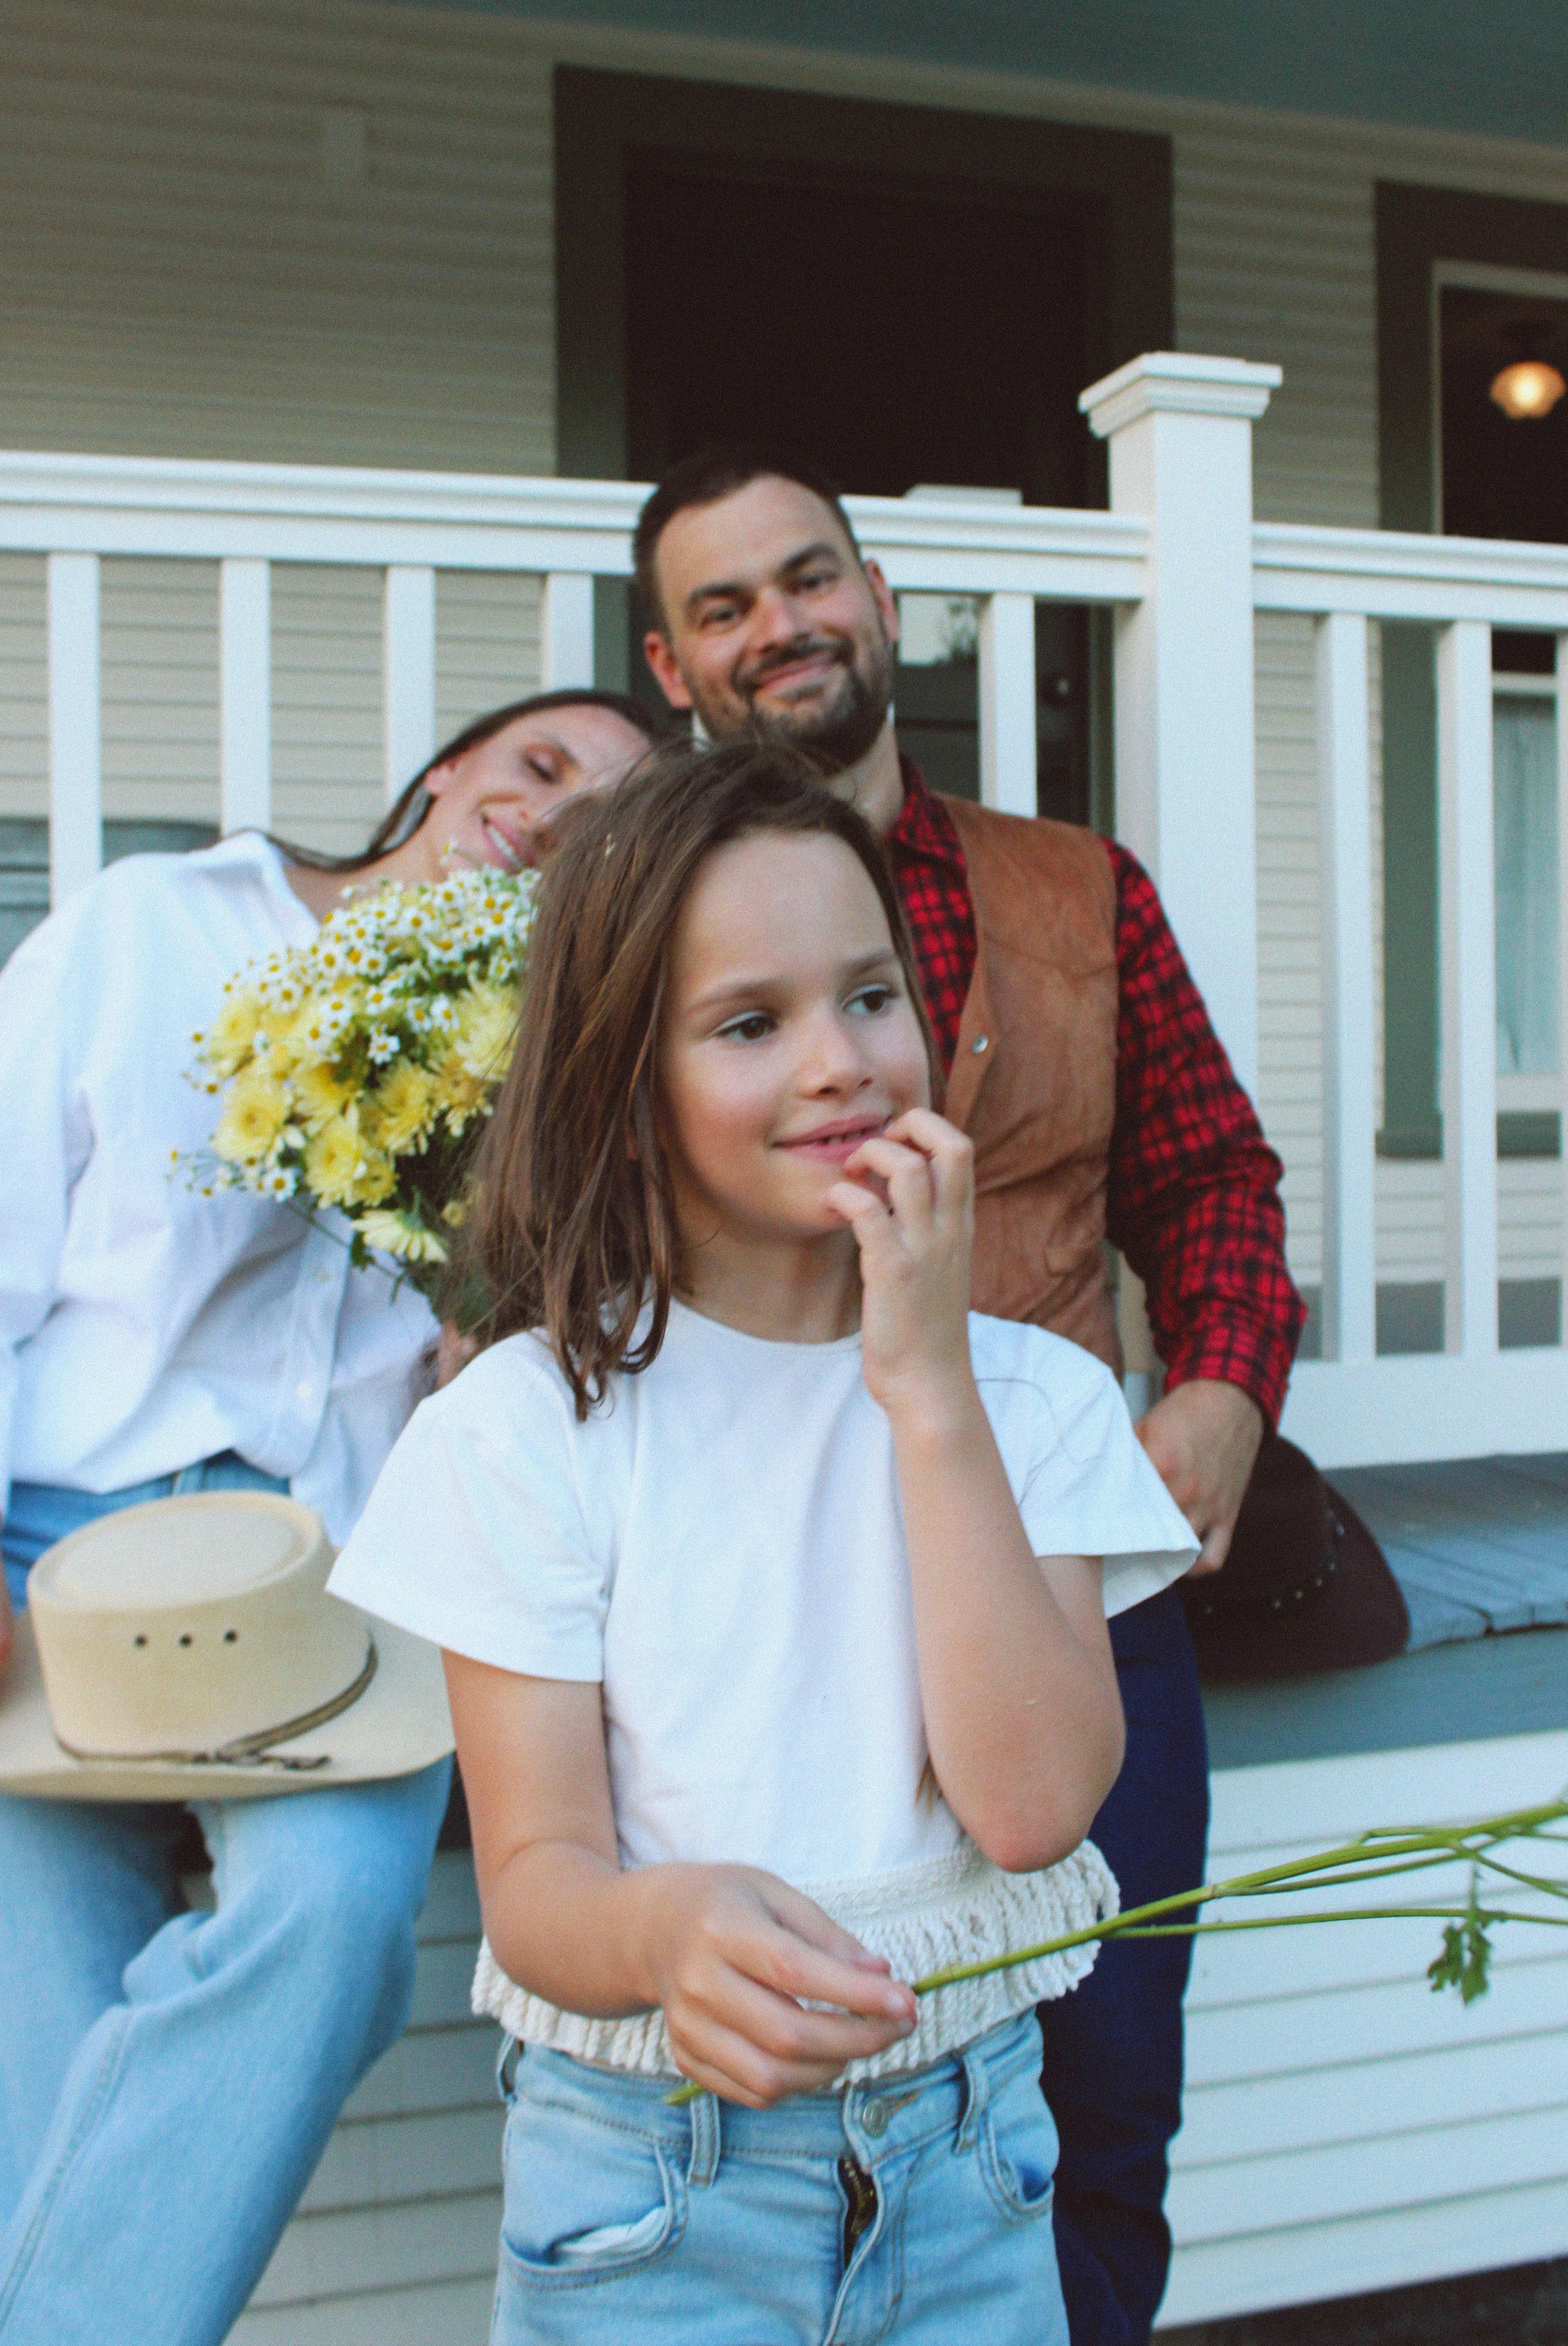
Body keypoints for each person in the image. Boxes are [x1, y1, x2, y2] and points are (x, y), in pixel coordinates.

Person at [330, 739, 1197, 2344]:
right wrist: (661, 1932)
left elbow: (1031, 1808)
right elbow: (536, 1882)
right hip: (654, 2184)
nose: (840, 1062)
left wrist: (927, 1384)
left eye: (872, 997)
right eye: (750, 1023)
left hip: (967, 2161)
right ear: (625, 1079)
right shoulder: (531, 1428)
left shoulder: (1035, 1402)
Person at [629, 447, 1307, 2346]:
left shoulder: (1076, 891)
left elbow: (1214, 1184)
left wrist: (1226, 1396)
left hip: (1063, 1557)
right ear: (670, 666)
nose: (783, 626)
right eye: (725, 605)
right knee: (779, 2119)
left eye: (810, 575)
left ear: (882, 601)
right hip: (755, 1586)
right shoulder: (632, 923)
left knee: (1099, 2107)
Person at [0, 686, 657, 2346]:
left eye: (607, 821)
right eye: (540, 767)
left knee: (339, 1929)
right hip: (54, 1556)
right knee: (34, 2025)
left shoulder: (557, 1078)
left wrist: (484, 1299)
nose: (551, 816)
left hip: (345, 1588)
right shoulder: (155, 926)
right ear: (447, 771)